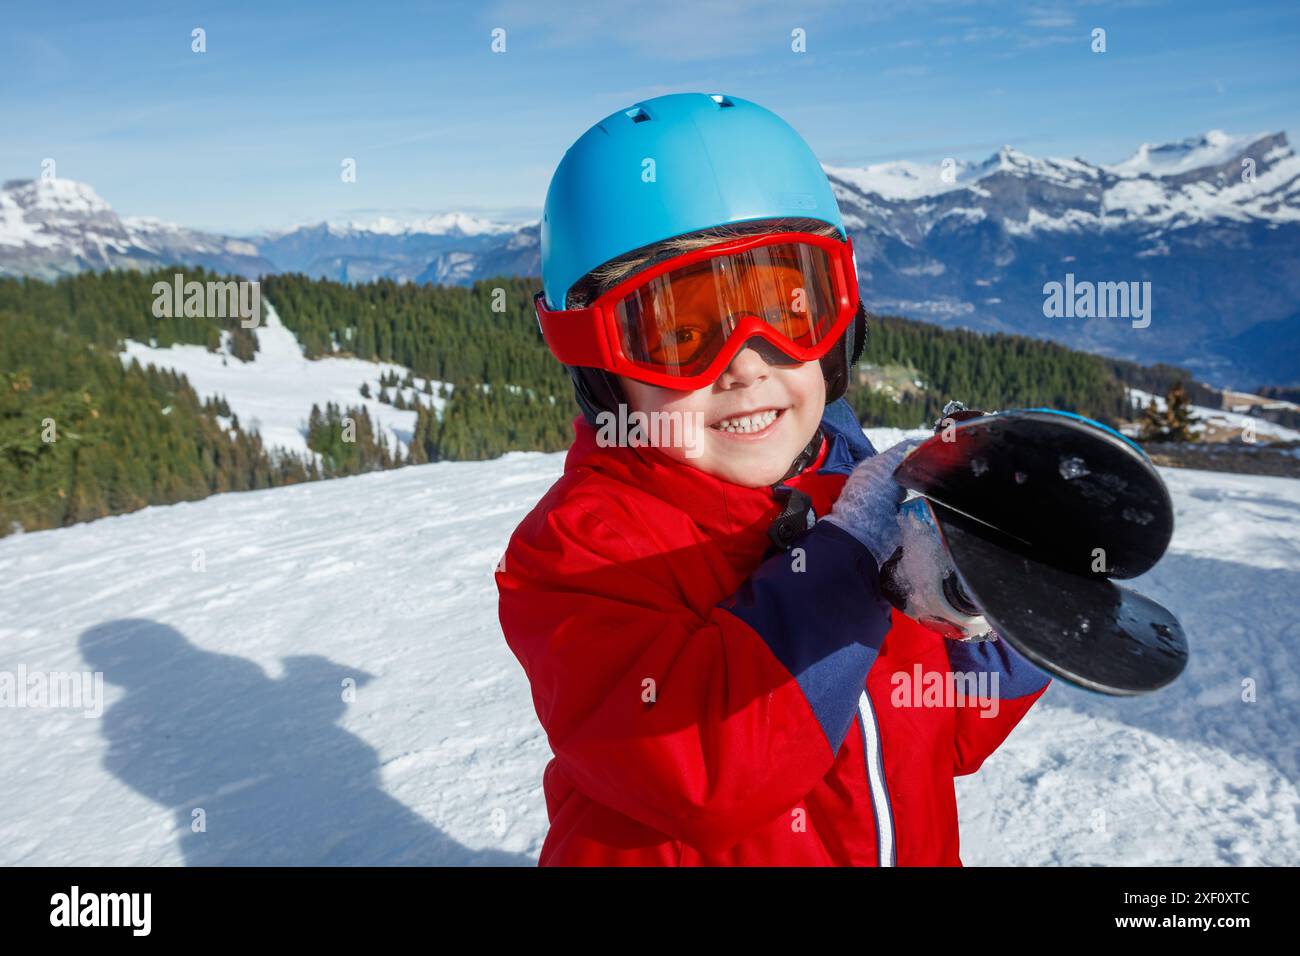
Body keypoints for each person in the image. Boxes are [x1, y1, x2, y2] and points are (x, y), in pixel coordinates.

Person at [496, 92, 1050, 866]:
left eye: (789, 312)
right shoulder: (581, 553)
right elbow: (707, 774)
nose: (748, 364)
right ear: (600, 367)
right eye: (679, 335)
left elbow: (945, 728)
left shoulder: (857, 489)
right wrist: (848, 559)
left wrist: (1023, 604)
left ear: (840, 323)